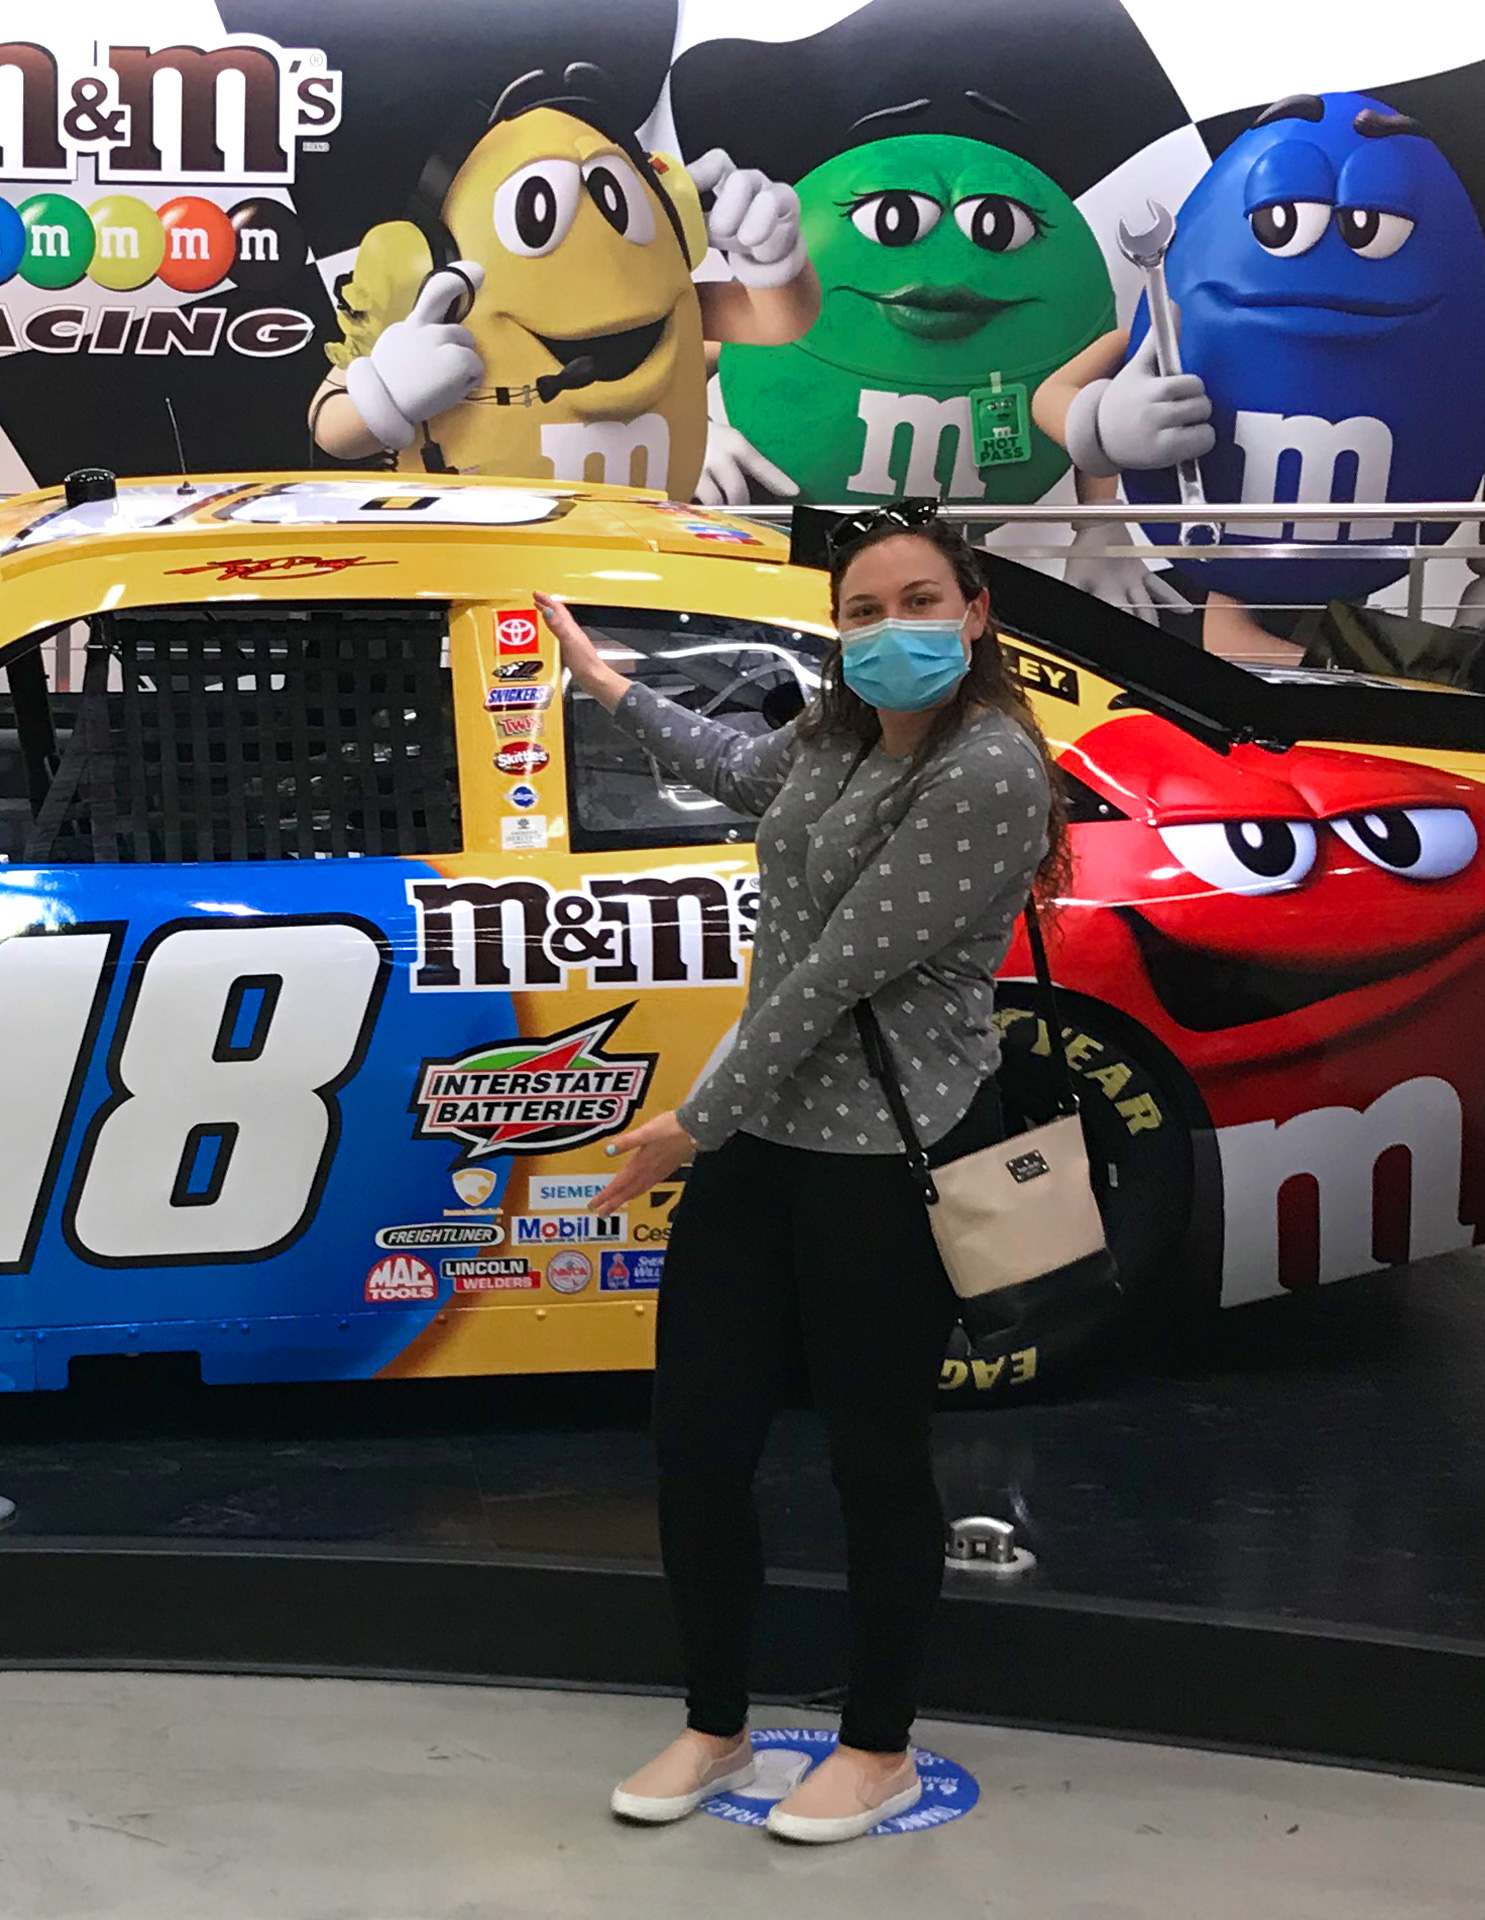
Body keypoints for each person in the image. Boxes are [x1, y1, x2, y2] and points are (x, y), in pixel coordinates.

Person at [542, 500, 1063, 1844]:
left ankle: (877, 1744)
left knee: (876, 1464)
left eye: (919, 603)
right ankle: (716, 1724)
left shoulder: (989, 769)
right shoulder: (836, 740)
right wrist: (609, 684)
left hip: (884, 1168)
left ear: (977, 612)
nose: (893, 631)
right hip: (766, 1155)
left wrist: (692, 1120)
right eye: (864, 612)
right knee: (697, 1445)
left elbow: (835, 976)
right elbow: (734, 766)